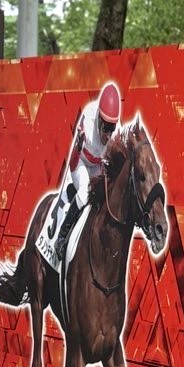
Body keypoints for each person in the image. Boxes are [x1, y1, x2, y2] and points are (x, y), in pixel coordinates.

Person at [54, 82, 121, 261]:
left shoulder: (115, 133)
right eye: (106, 127)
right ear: (98, 119)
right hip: (81, 162)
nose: (108, 134)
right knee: (85, 192)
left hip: (97, 164)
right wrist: (78, 146)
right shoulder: (88, 120)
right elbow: (73, 161)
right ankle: (62, 235)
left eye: (112, 128)